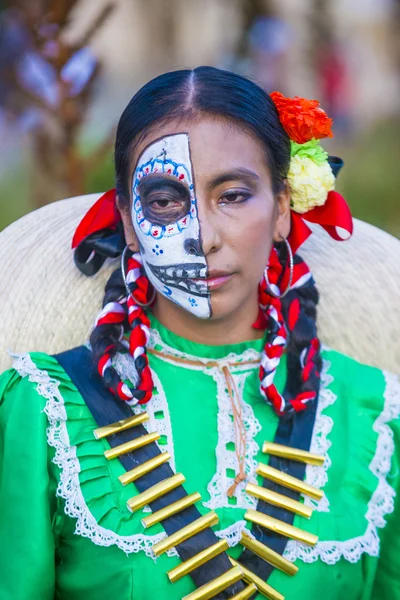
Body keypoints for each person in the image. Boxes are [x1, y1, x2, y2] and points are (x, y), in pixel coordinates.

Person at [0, 66, 398, 600]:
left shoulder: (372, 415)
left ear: (281, 208)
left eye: (232, 195)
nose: (202, 238)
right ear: (126, 220)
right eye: (165, 202)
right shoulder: (47, 407)